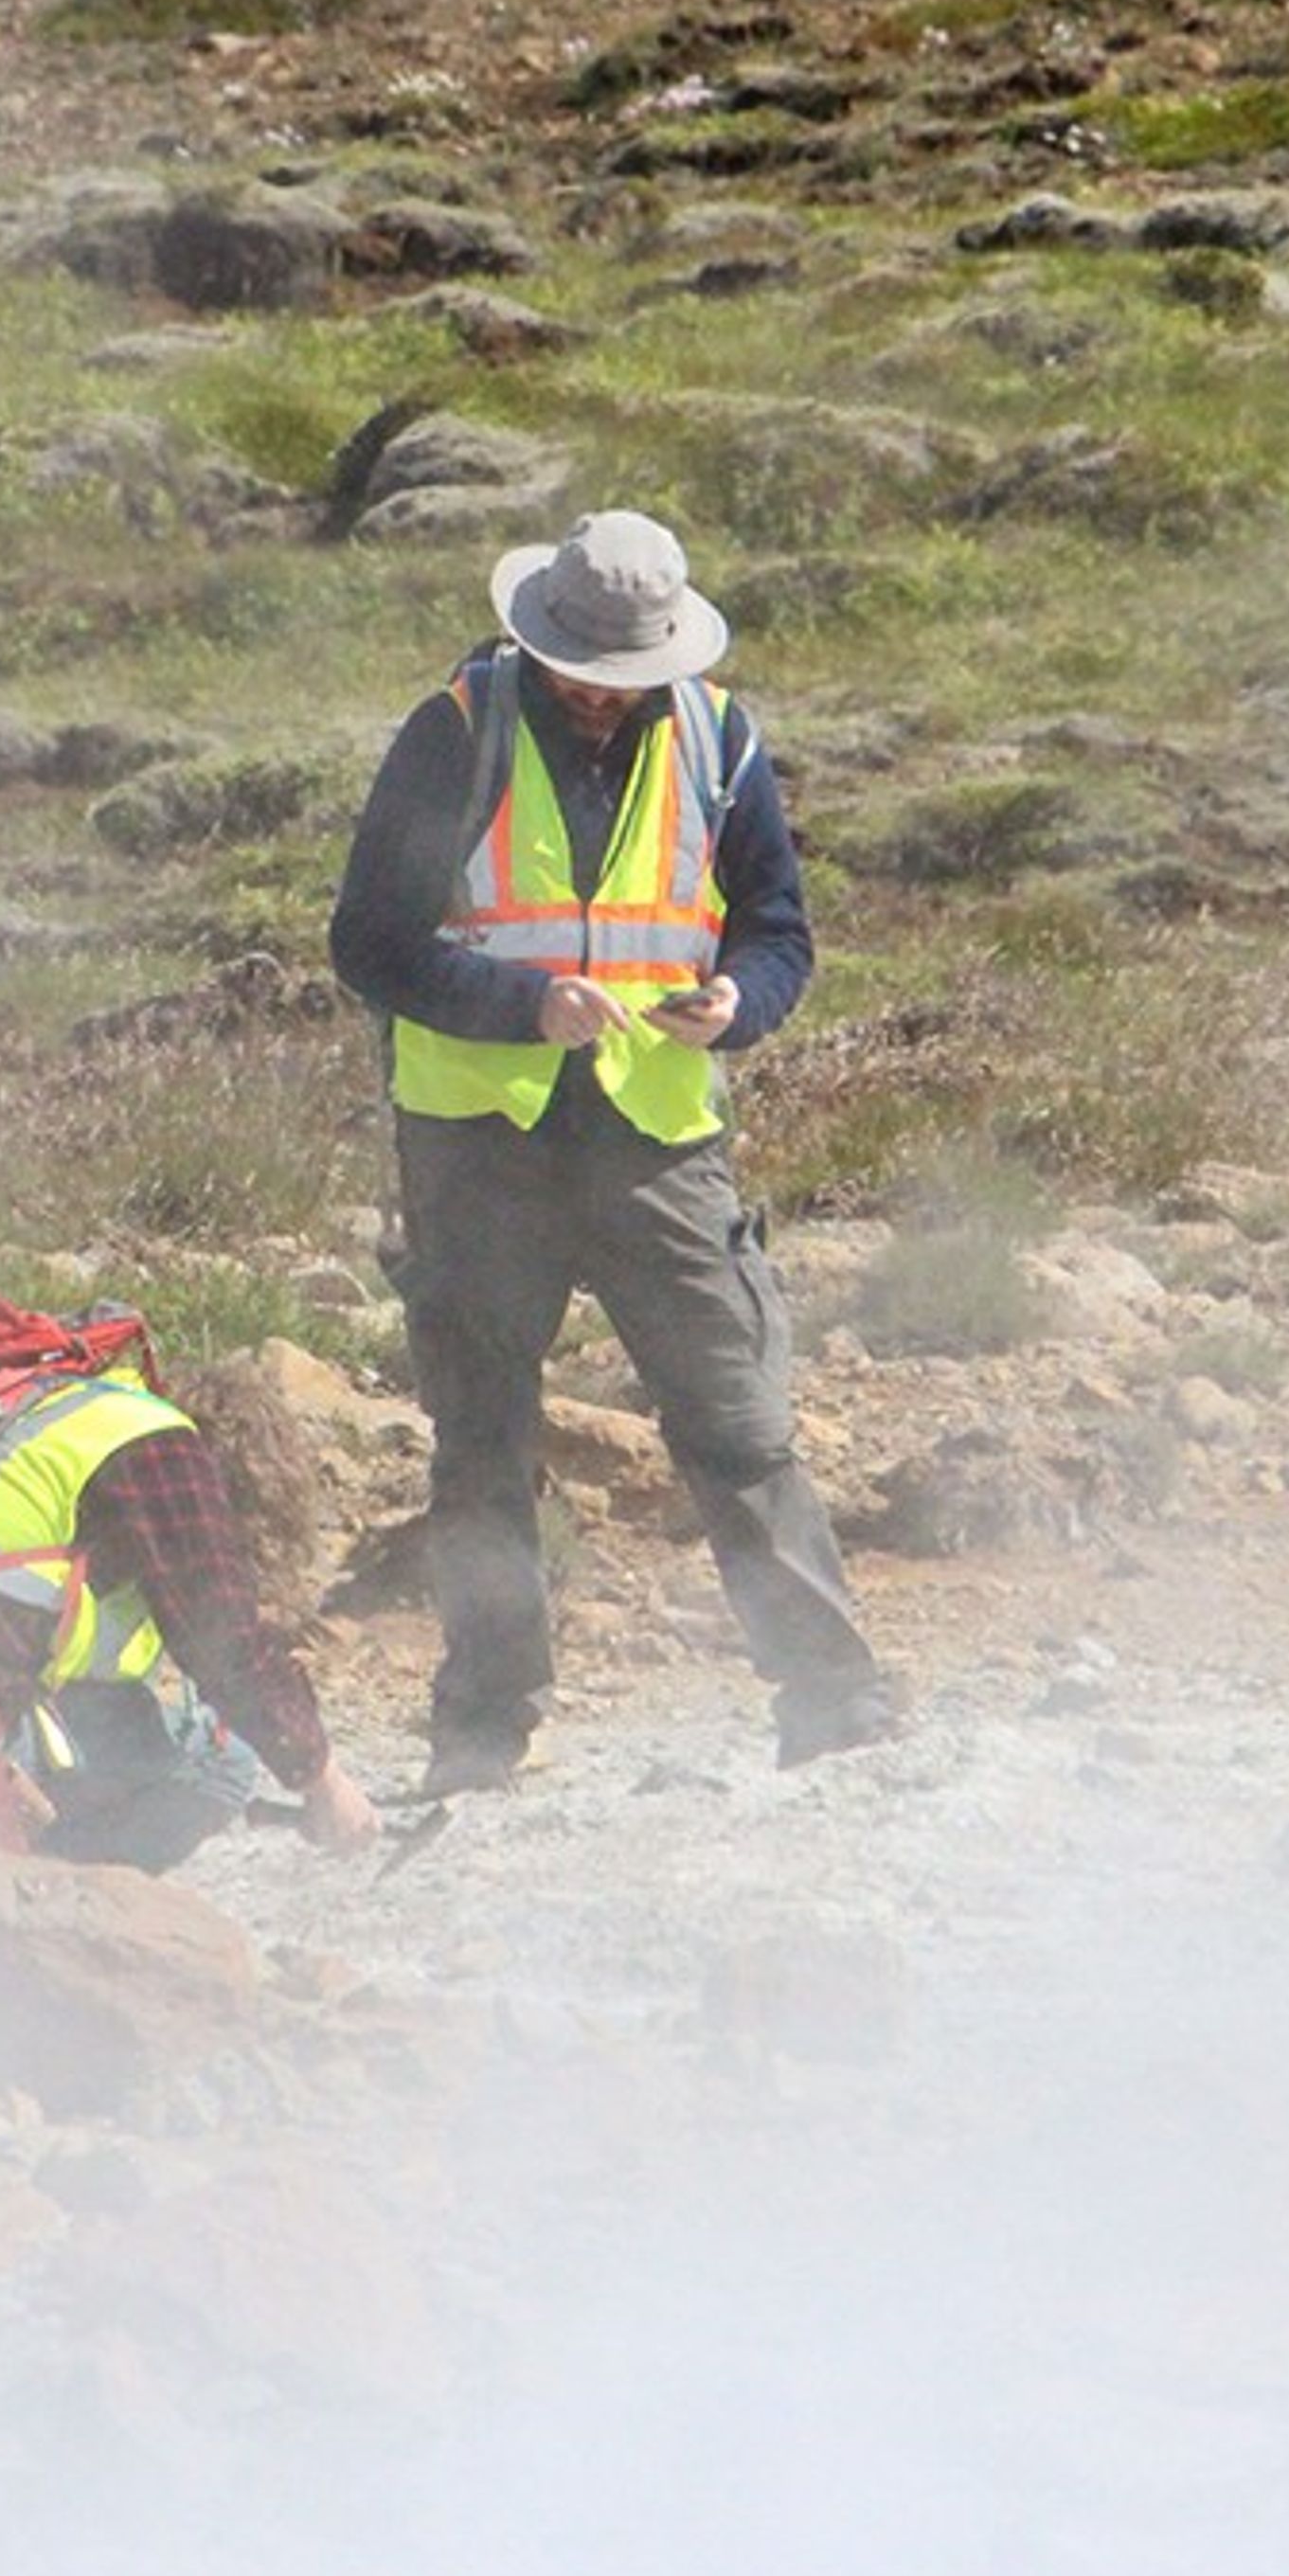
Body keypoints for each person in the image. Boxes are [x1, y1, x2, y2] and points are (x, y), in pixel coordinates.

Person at [327, 507, 901, 1791]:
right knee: (481, 1442)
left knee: (738, 1424)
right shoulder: (454, 732)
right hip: (480, 1140)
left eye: (626, 676)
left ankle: (834, 1700)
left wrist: (738, 1004)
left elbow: (777, 933)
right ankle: (483, 1728)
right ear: (538, 642)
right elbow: (367, 941)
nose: (601, 697)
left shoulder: (716, 737)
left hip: (656, 1139)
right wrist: (517, 1008)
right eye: (583, 673)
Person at [0, 1345, 382, 1869]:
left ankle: (46, 1886)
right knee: (219, 1763)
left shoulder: (59, 1410)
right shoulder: (162, 1451)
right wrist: (323, 1781)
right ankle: (64, 1908)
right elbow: (227, 1644)